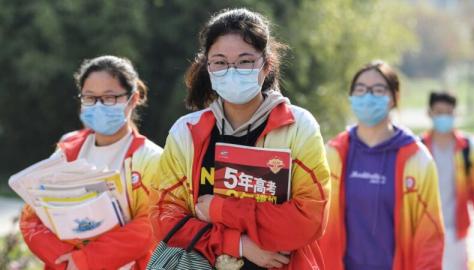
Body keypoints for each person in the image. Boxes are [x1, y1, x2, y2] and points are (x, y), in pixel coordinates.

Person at [149, 8, 331, 270]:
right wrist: (238, 244)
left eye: (245, 61)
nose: (232, 71)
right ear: (208, 67)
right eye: (220, 62)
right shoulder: (186, 132)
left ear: (265, 65)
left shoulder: (297, 127)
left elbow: (309, 218)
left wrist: (221, 210)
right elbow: (164, 217)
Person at [20, 55, 163, 270]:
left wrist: (87, 260)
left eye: (109, 98)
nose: (98, 105)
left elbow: (150, 226)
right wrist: (66, 261)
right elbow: (31, 215)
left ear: (133, 99)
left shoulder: (149, 158)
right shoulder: (67, 147)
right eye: (89, 97)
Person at [320, 60, 444, 270]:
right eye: (360, 90)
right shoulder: (332, 153)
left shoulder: (417, 160)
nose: (368, 97)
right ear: (351, 97)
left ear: (394, 98)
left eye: (378, 90)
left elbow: (429, 235)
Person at [421, 91, 474, 270]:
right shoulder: (418, 148)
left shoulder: (467, 148)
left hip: (457, 233)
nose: (444, 117)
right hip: (424, 232)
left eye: (448, 112)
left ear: (455, 114)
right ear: (430, 113)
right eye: (439, 112)